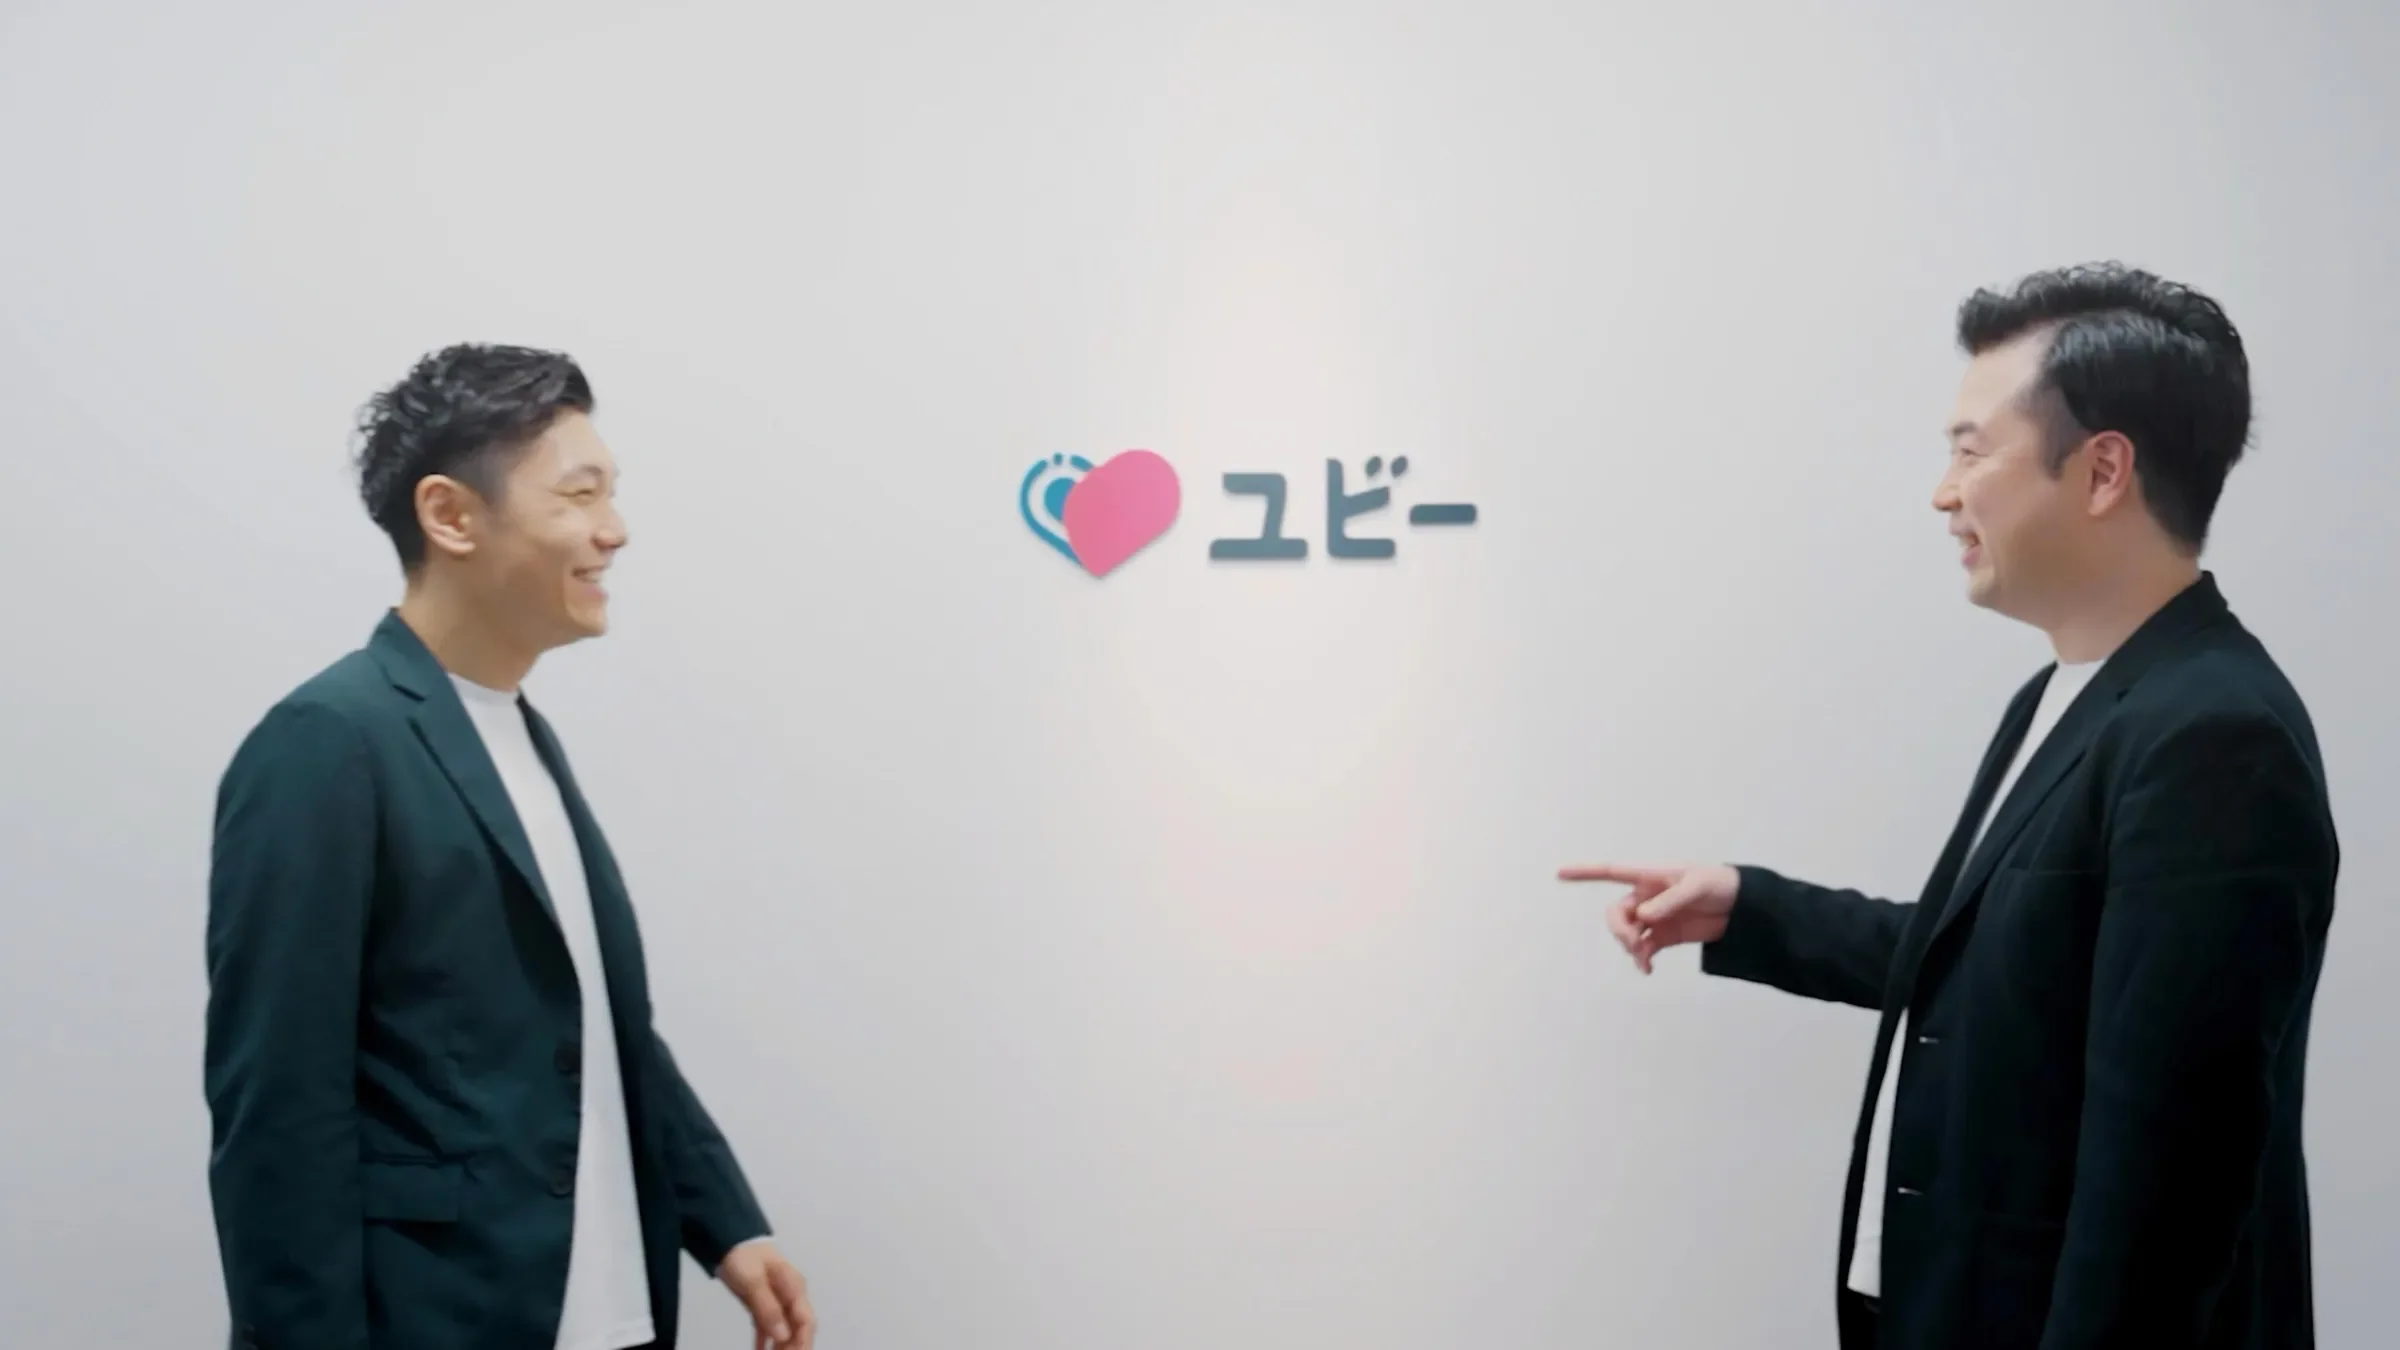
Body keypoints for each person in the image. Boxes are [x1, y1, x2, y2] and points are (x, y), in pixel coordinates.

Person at [1561, 264, 2337, 1350]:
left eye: (1972, 451)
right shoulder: (2072, 694)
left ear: (2103, 470)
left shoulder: (2214, 737)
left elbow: (2169, 1194)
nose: (1943, 492)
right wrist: (1749, 907)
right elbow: (2000, 961)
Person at [203, 344, 818, 1350]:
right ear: (450, 516)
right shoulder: (328, 741)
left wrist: (728, 1226)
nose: (615, 530)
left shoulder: (523, 738)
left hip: (611, 1319)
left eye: (612, 493)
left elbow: (600, 1028)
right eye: (580, 494)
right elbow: (279, 1109)